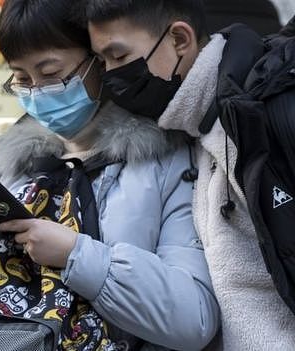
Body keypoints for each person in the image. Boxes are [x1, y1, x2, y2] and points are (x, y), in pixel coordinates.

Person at [0, 0, 220, 349]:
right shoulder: (15, 167)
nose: (37, 93)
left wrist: (77, 255)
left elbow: (196, 319)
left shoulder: (167, 159)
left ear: (98, 63)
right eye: (22, 79)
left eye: (52, 74)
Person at [79, 0, 295, 348]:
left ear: (180, 39)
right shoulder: (194, 124)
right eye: (101, 62)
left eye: (118, 57)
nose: (109, 75)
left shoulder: (259, 113)